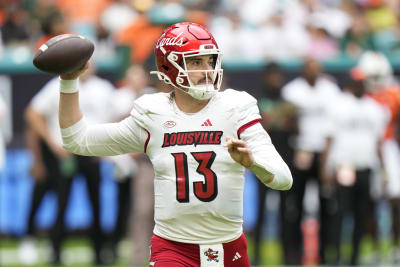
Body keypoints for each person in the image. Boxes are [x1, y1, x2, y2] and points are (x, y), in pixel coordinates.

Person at [58, 22, 293, 267]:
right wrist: (68, 81)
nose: (207, 70)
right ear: (168, 67)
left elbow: (284, 179)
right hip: (173, 248)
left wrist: (253, 163)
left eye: (210, 61)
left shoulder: (236, 108)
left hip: (229, 246)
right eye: (195, 62)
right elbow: (77, 139)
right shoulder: (154, 114)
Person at [21, 63, 115, 265]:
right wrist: (52, 144)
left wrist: (106, 147)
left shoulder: (104, 88)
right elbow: (32, 113)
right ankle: (55, 251)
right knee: (62, 202)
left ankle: (99, 252)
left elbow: (114, 118)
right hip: (66, 153)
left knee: (96, 204)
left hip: (92, 153)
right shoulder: (59, 84)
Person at [320, 70, 388, 265]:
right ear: (351, 83)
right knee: (341, 212)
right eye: (357, 82)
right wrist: (325, 167)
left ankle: (354, 257)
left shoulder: (374, 108)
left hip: (365, 165)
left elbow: (378, 143)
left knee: (361, 213)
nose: (360, 85)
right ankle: (336, 256)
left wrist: (383, 171)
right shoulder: (339, 105)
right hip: (344, 165)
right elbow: (329, 139)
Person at [281, 58, 341, 264]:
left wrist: (328, 158)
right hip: (301, 150)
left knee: (327, 205)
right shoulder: (292, 90)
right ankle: (294, 253)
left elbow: (334, 124)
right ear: (303, 71)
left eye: (317, 69)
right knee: (295, 204)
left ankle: (325, 253)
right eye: (310, 69)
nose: (314, 73)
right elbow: (288, 123)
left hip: (324, 151)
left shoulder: (331, 90)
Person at [252, 62, 298, 265]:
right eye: (271, 76)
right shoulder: (256, 103)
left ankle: (288, 256)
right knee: (261, 212)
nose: (275, 80)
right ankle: (256, 257)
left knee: (286, 212)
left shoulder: (288, 104)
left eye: (278, 76)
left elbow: (296, 129)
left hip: (285, 163)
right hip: (262, 164)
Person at [357, 50, 400, 264]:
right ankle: (373, 247)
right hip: (367, 149)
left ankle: (394, 247)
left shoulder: (394, 93)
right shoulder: (361, 96)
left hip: (389, 147)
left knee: (395, 197)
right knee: (370, 200)